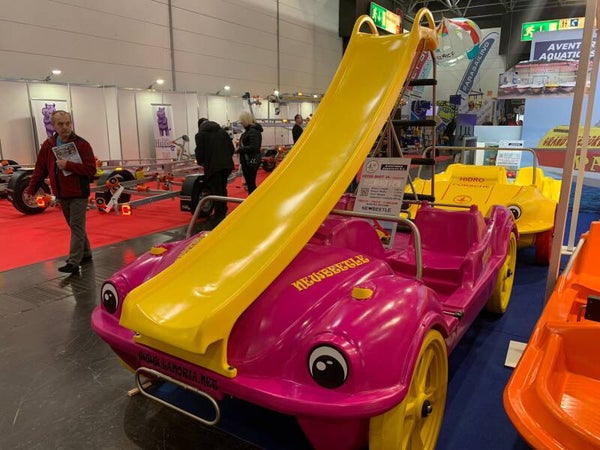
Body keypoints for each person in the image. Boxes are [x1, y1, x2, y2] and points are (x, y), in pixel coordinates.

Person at [26, 110, 97, 273]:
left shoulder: (82, 144)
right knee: (75, 226)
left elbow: (91, 169)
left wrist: (68, 165)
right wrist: (31, 189)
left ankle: (73, 262)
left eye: (67, 123)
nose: (65, 127)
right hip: (61, 193)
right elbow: (40, 169)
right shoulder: (48, 145)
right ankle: (86, 253)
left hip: (78, 193)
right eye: (60, 124)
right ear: (53, 126)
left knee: (76, 226)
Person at [194, 118, 234, 227]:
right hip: (226, 165)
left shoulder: (200, 135)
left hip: (213, 167)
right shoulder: (222, 132)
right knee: (222, 188)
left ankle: (219, 216)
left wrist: (202, 162)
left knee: (216, 190)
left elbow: (199, 153)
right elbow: (231, 148)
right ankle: (222, 211)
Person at [237, 111, 263, 194]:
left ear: (246, 120)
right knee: (250, 183)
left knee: (251, 183)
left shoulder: (253, 131)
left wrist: (239, 150)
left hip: (250, 160)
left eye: (242, 121)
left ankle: (254, 198)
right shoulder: (251, 131)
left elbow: (254, 147)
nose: (241, 123)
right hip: (249, 160)